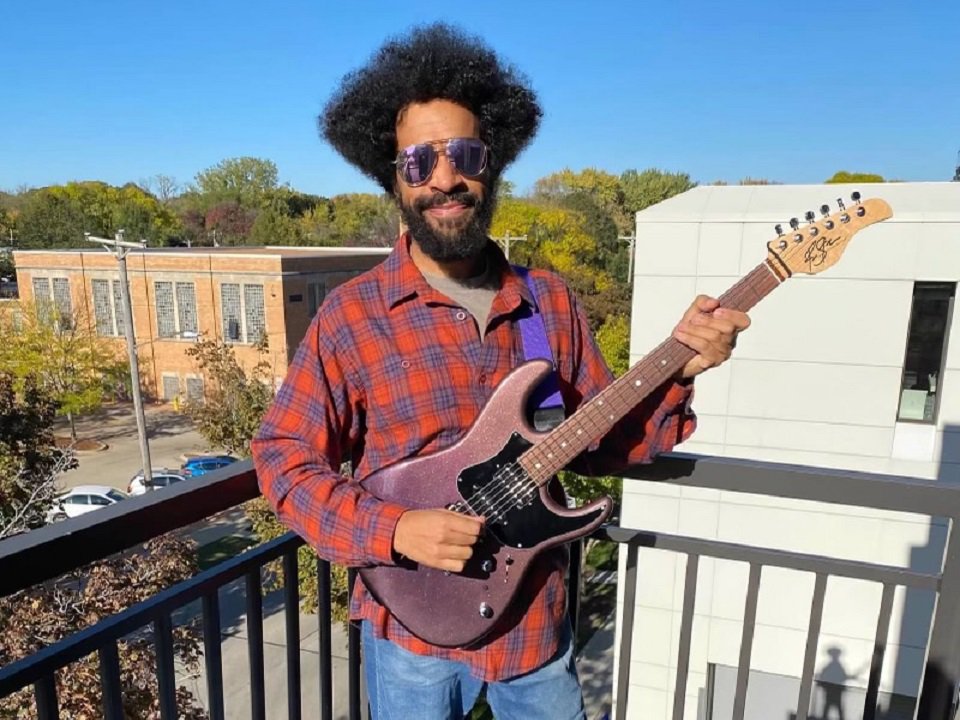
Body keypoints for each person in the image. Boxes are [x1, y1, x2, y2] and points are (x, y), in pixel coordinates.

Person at [252, 22, 750, 720]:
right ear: (393, 179)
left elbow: (609, 442)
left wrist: (681, 369)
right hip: (410, 634)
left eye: (464, 154)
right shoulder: (351, 315)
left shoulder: (548, 300)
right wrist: (391, 530)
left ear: (493, 164)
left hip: (533, 633)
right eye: (418, 162)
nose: (445, 178)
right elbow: (282, 459)